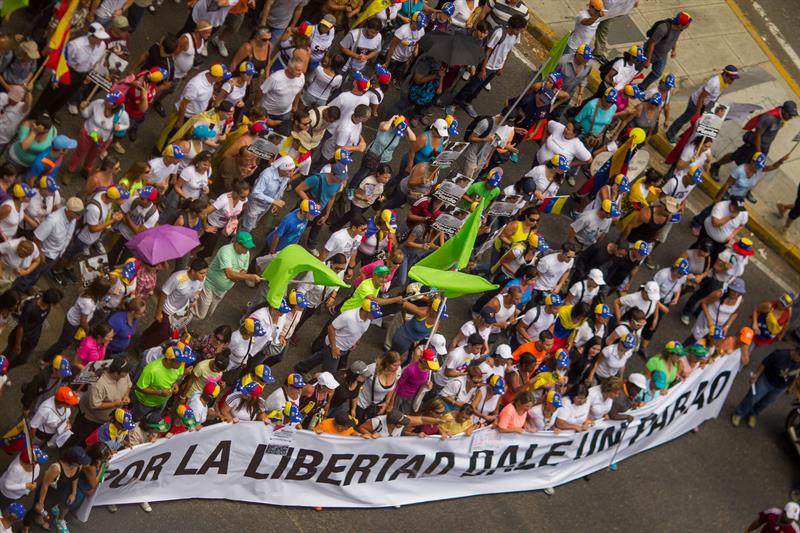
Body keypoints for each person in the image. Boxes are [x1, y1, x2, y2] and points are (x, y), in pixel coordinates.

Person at [451, 14, 527, 118]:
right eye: (520, 29)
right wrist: (483, 69)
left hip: (496, 68)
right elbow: (487, 51)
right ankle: (454, 103)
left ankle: (467, 102)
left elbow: (509, 50)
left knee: (479, 88)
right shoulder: (499, 33)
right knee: (471, 86)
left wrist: (502, 66)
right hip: (487, 66)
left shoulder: (516, 36)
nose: (521, 31)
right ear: (514, 27)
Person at [712, 100, 798, 181]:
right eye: (789, 114)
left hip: (764, 147)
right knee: (735, 156)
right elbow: (758, 134)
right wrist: (758, 152)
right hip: (755, 145)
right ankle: (716, 165)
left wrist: (765, 149)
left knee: (756, 167)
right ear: (783, 111)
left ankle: (745, 187)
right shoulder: (769, 118)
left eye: (792, 115)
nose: (790, 117)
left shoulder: (781, 120)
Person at [296, 299, 383, 374]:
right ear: (365, 311)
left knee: (320, 357)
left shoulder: (368, 319)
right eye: (373, 314)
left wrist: (355, 342)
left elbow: (360, 331)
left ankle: (301, 367)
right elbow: (331, 328)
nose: (375, 317)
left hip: (345, 348)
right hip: (335, 348)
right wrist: (334, 348)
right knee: (329, 374)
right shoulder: (348, 317)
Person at [194, 231, 262, 320]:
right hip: (209, 284)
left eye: (248, 248)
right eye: (245, 248)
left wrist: (238, 276)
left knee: (210, 312)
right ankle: (183, 322)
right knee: (200, 314)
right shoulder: (226, 251)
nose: (247, 251)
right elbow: (229, 274)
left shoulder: (246, 253)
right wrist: (249, 277)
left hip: (222, 290)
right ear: (237, 244)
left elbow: (244, 269)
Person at [666, 65, 739, 143]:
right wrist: (698, 112)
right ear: (725, 75)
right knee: (684, 119)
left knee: (697, 125)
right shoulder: (714, 83)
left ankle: (682, 138)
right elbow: (701, 97)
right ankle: (670, 134)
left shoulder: (724, 83)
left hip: (705, 105)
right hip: (696, 103)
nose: (732, 81)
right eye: (731, 79)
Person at [142, 259, 207, 346]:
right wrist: (158, 312)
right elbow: (164, 293)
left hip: (180, 311)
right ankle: (145, 346)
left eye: (205, 273)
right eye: (201, 273)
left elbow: (199, 289)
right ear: (193, 271)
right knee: (164, 333)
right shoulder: (178, 277)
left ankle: (143, 338)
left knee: (158, 326)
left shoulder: (201, 279)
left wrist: (194, 298)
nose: (204, 276)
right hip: (168, 309)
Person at [23, 447, 90, 532]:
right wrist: (40, 503)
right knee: (35, 510)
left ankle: (39, 520)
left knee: (48, 508)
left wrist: (73, 493)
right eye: (80, 461)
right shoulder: (56, 468)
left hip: (59, 493)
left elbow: (75, 478)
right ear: (72, 460)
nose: (83, 464)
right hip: (47, 493)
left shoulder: (78, 466)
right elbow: (45, 485)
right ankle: (25, 527)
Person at [732, 347, 800, 429]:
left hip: (780, 388)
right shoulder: (780, 354)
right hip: (766, 381)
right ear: (796, 352)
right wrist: (756, 376)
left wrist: (790, 387)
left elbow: (796, 375)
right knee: (752, 398)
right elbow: (764, 364)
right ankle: (739, 413)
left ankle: (753, 414)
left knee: (765, 403)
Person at [132, 343, 192, 420]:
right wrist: (159, 392)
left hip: (162, 401)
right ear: (169, 361)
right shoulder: (151, 370)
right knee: (137, 418)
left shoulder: (178, 366)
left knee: (152, 420)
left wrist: (175, 384)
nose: (181, 364)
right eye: (179, 361)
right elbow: (140, 388)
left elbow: (176, 378)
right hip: (145, 404)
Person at [638, 11, 691, 90]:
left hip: (662, 55)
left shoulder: (679, 29)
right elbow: (651, 43)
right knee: (636, 69)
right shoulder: (663, 29)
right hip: (651, 53)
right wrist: (647, 60)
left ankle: (641, 88)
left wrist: (674, 50)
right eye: (687, 24)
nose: (688, 26)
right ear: (680, 25)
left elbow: (674, 39)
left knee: (657, 73)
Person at [242, 155, 296, 232]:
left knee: (252, 223)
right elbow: (255, 192)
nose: (291, 174)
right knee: (247, 227)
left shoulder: (286, 176)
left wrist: (275, 203)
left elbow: (281, 190)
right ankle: (235, 241)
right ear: (281, 169)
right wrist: (273, 201)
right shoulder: (266, 175)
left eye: (293, 170)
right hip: (255, 205)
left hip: (266, 205)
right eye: (289, 171)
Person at [715, 152, 785, 205]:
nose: (758, 167)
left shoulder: (759, 170)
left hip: (739, 199)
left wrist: (780, 161)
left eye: (759, 166)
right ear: (752, 161)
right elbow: (727, 184)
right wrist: (719, 198)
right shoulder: (739, 170)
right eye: (756, 165)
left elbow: (772, 167)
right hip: (728, 195)